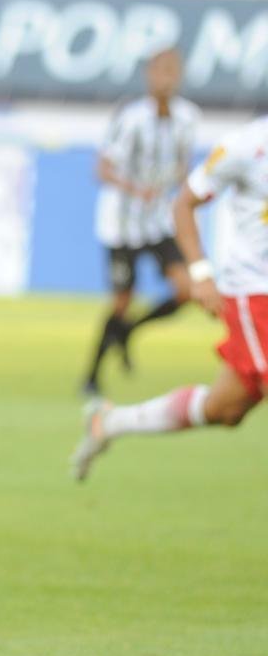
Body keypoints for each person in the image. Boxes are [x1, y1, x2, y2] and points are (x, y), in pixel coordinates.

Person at [72, 116, 268, 481]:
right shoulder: (246, 146)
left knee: (225, 408)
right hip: (257, 295)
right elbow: (185, 204)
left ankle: (111, 422)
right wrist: (201, 274)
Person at [82, 47, 200, 396]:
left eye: (172, 71)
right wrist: (135, 188)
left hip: (158, 223)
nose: (166, 78)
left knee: (186, 290)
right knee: (121, 302)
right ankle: (91, 375)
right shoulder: (131, 118)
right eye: (160, 70)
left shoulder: (188, 117)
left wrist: (181, 189)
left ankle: (131, 331)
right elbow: (102, 168)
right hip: (122, 226)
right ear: (150, 75)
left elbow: (182, 164)